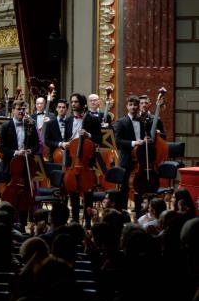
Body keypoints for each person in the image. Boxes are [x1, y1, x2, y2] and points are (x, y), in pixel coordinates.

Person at [57, 93, 103, 228]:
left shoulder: (92, 119)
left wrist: (88, 135)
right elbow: (67, 139)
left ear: (82, 104)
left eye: (76, 102)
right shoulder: (68, 120)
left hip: (86, 162)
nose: (73, 104)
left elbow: (99, 139)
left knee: (88, 193)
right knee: (73, 192)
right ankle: (75, 221)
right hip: (72, 161)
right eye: (72, 102)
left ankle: (88, 222)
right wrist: (65, 144)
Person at [0, 99, 40, 227]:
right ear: (13, 110)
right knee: (11, 197)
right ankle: (10, 224)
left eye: (23, 109)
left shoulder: (30, 125)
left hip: (26, 166)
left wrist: (30, 151)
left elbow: (36, 145)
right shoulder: (5, 126)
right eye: (19, 109)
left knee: (24, 196)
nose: (21, 111)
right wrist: (16, 153)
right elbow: (2, 147)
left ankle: (22, 224)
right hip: (11, 167)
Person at [114, 95, 152, 215]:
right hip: (127, 159)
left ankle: (140, 213)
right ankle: (123, 213)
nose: (133, 107)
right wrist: (134, 143)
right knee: (125, 187)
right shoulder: (121, 122)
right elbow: (117, 141)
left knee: (139, 187)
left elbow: (148, 136)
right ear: (127, 106)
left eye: (135, 105)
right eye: (130, 105)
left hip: (140, 159)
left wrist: (147, 139)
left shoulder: (143, 121)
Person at [44, 99, 69, 163]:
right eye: (59, 107)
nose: (61, 109)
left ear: (67, 109)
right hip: (54, 156)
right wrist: (59, 144)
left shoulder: (71, 121)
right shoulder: (50, 123)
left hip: (69, 155)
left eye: (63, 107)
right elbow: (47, 141)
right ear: (56, 108)